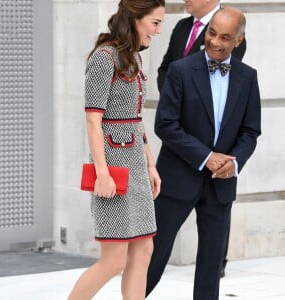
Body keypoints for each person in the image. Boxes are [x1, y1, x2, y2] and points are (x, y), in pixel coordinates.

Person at [146, 6, 261, 300]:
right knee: (153, 257)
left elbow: (250, 132)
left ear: (239, 40)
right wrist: (205, 157)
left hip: (221, 184)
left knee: (211, 265)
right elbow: (165, 125)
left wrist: (233, 164)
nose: (215, 42)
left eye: (225, 37)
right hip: (178, 178)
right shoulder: (180, 70)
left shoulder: (248, 77)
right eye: (211, 33)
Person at [67, 1, 164, 299]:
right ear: (135, 19)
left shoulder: (133, 57)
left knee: (144, 249)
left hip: (135, 164)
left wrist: (150, 165)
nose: (158, 31)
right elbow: (93, 120)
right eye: (155, 23)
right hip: (113, 167)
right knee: (113, 261)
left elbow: (136, 118)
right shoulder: (103, 57)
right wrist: (102, 173)